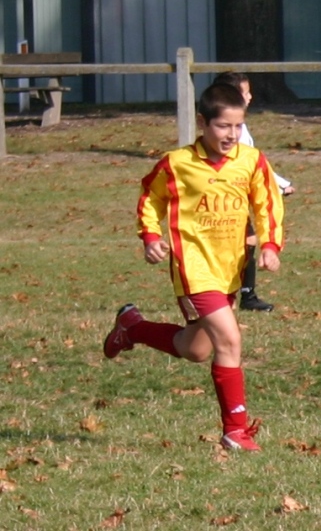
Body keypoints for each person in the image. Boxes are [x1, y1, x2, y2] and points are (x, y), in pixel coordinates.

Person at [103, 82, 284, 452]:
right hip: (194, 268)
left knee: (195, 349)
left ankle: (133, 327)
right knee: (230, 340)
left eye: (237, 127)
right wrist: (151, 237)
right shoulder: (177, 163)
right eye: (223, 127)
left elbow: (267, 203)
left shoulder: (251, 161)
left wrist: (268, 244)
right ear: (203, 123)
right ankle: (235, 430)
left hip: (229, 267)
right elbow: (150, 199)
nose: (231, 135)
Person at [213, 72, 295, 312]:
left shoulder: (238, 127)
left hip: (236, 190)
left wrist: (278, 183)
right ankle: (222, 293)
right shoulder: (229, 130)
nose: (250, 97)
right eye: (246, 92)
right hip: (224, 192)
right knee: (230, 241)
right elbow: (249, 163)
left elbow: (254, 161)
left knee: (248, 238)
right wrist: (279, 185)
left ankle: (246, 295)